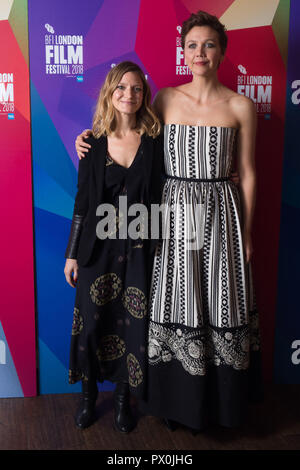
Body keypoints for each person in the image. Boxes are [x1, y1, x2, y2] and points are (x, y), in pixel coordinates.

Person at [75, 10, 263, 432]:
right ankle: (177, 406)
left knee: (219, 303)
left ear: (222, 52)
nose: (200, 53)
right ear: (184, 52)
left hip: (221, 218)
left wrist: (246, 232)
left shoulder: (241, 105)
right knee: (179, 303)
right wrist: (89, 139)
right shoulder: (165, 100)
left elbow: (248, 172)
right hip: (173, 218)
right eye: (193, 45)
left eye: (209, 45)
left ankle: (221, 409)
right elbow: (131, 142)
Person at [64, 61, 163, 432]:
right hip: (96, 250)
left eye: (137, 89)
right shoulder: (91, 143)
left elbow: (162, 194)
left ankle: (123, 402)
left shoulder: (154, 144)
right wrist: (71, 254)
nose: (129, 95)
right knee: (92, 325)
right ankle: (89, 399)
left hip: (138, 250)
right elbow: (82, 203)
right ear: (110, 92)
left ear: (144, 96)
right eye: (121, 88)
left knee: (131, 328)